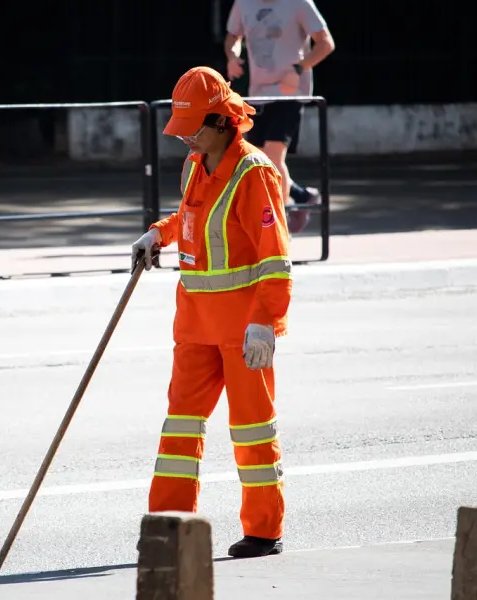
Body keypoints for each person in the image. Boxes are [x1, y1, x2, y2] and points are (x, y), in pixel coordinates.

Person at [130, 66, 293, 559]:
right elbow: (193, 218)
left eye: (192, 129)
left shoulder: (254, 173)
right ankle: (169, 525)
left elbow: (275, 257)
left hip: (243, 331)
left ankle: (264, 530)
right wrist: (159, 233)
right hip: (195, 324)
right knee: (180, 424)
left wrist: (265, 322)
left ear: (223, 121)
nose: (185, 140)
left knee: (251, 428)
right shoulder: (197, 164)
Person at [224, 0, 335, 234]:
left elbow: (325, 43)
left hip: (290, 94)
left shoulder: (300, 4)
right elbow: (233, 37)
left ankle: (277, 228)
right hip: (258, 94)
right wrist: (233, 58)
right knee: (256, 162)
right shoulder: (243, 4)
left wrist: (299, 68)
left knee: (273, 157)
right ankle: (301, 195)